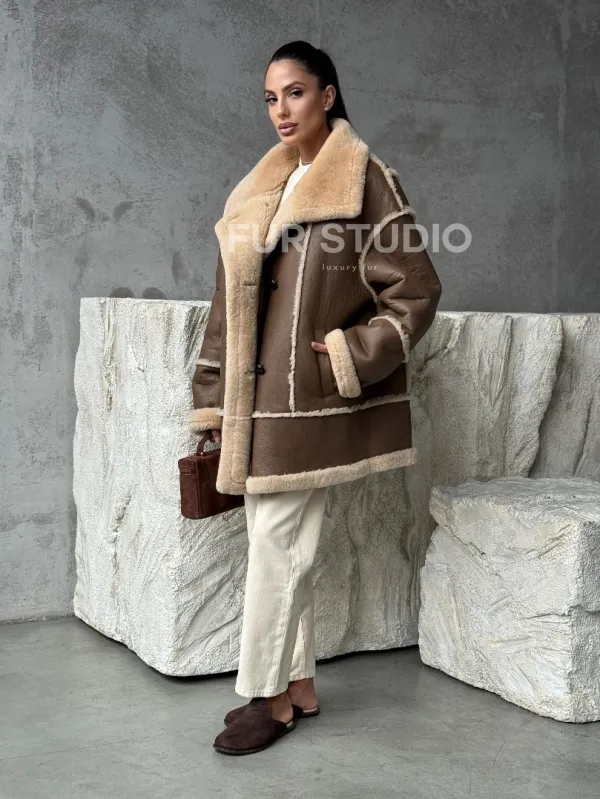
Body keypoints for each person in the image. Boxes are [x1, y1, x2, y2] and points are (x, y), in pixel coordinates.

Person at [188, 40, 442, 755]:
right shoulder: (259, 189)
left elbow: (416, 290)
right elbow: (227, 306)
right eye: (271, 97)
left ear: (327, 95)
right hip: (257, 407)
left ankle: (264, 697)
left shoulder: (365, 180)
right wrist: (212, 397)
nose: (281, 109)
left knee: (278, 542)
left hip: (315, 402)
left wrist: (351, 353)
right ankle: (297, 686)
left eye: (295, 93)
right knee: (281, 542)